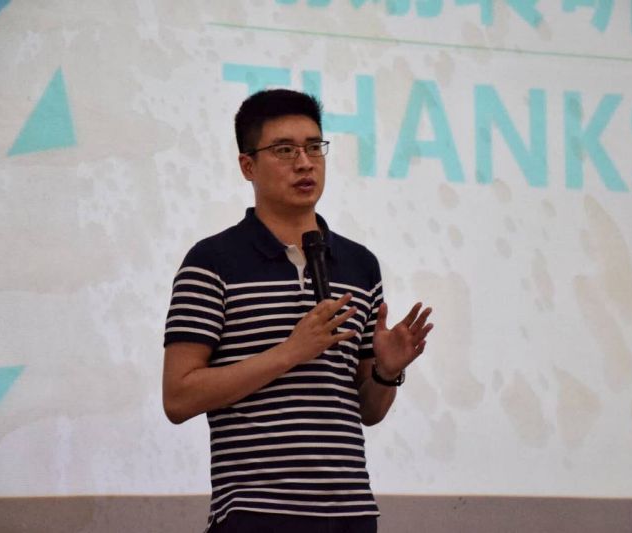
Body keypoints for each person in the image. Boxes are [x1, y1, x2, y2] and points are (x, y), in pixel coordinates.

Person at [162, 88, 433, 533]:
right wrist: (290, 352)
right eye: (284, 150)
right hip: (256, 513)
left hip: (351, 514)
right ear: (248, 166)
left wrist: (387, 372)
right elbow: (178, 397)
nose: (305, 163)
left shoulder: (360, 265)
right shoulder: (211, 262)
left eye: (313, 147)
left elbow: (368, 411)